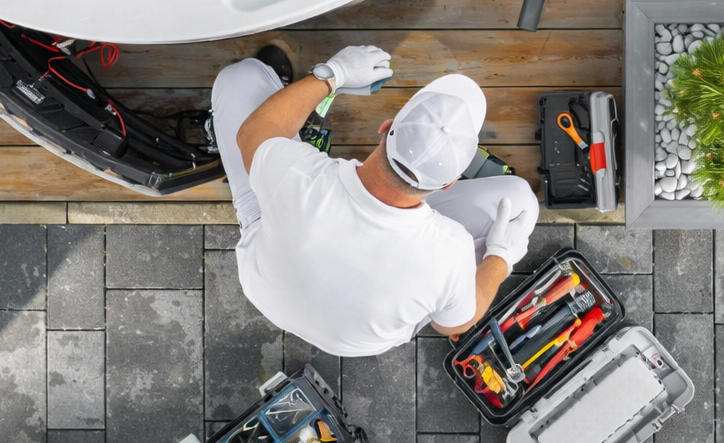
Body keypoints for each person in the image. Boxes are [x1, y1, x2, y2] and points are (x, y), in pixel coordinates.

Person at [210, 45, 538, 357]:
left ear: (385, 127)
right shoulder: (450, 254)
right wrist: (500, 258)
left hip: (268, 282)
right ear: (448, 183)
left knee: (239, 78)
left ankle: (289, 98)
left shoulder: (300, 175)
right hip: (352, 340)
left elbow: (252, 132)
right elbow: (453, 324)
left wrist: (333, 75)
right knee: (519, 202)